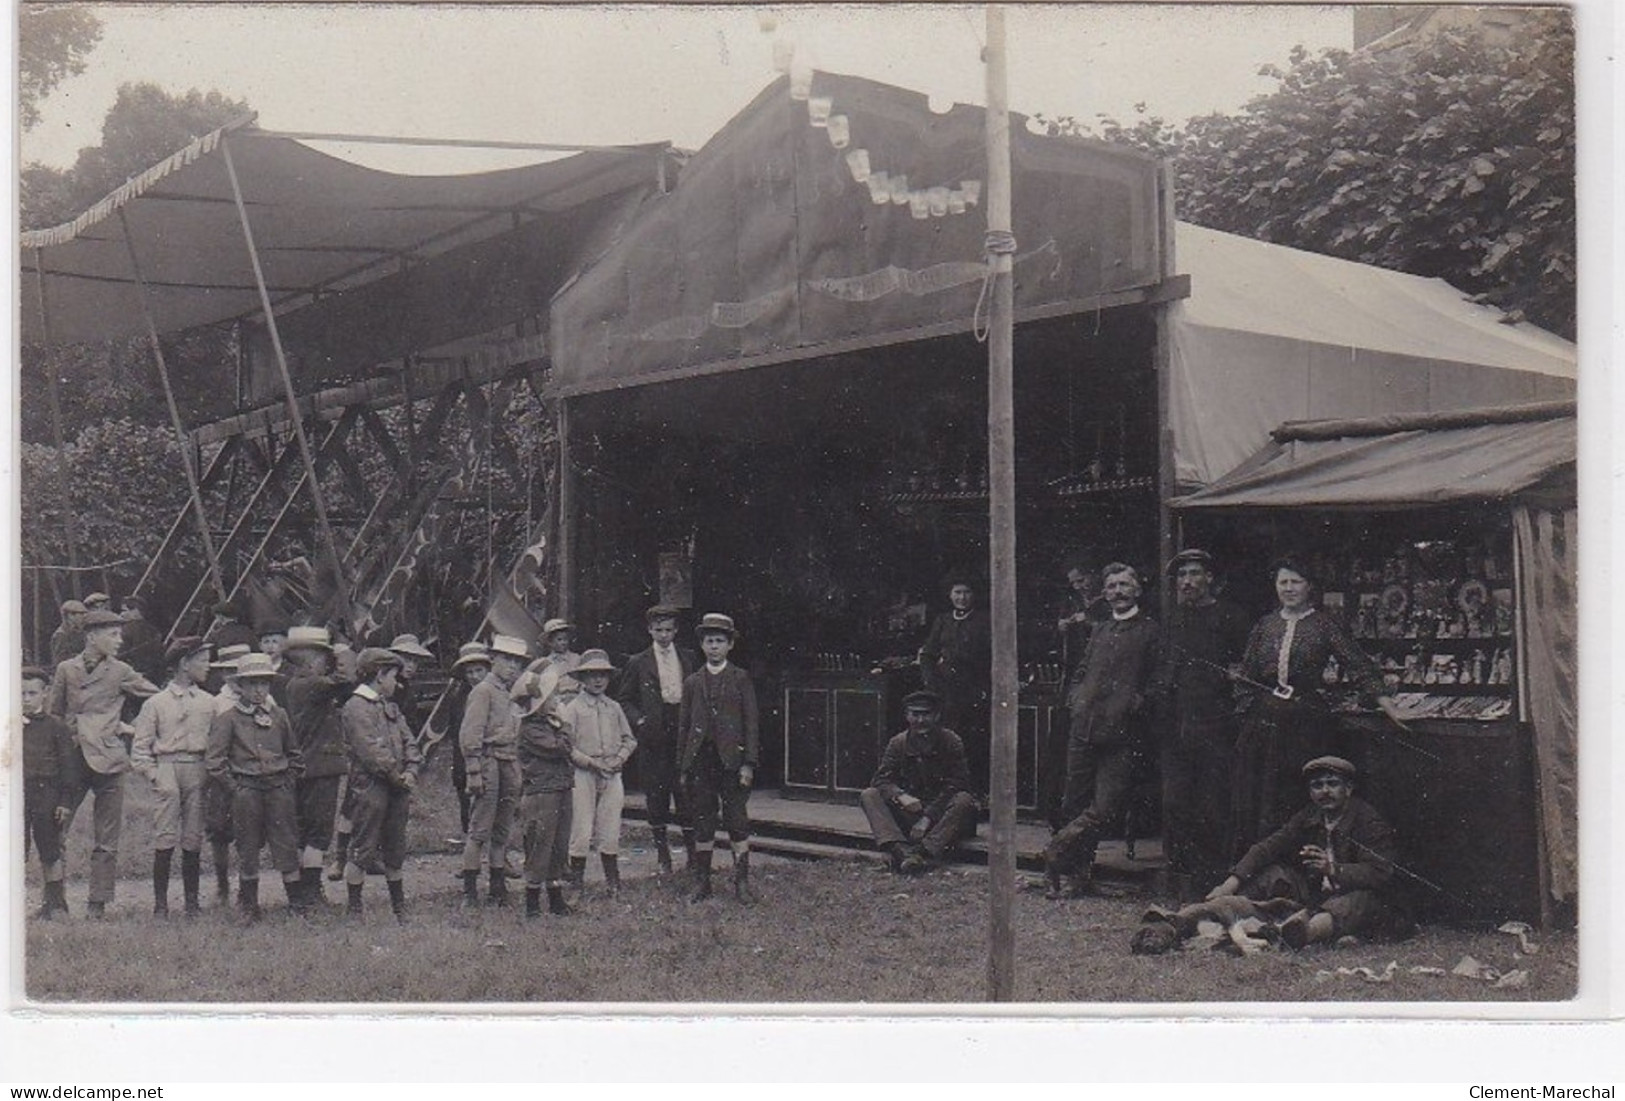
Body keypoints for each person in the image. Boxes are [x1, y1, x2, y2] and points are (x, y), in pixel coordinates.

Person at [1230, 556, 1401, 855]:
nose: (1289, 588)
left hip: (1304, 722)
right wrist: (1248, 715)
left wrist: (1388, 706)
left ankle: (1303, 868)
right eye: (1283, 582)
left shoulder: (1323, 624)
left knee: (1296, 792)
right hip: (1264, 724)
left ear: (1309, 587)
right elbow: (1246, 675)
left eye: (1296, 582)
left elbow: (1357, 664)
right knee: (1260, 794)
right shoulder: (1265, 625)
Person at [1044, 563, 1160, 899]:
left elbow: (1158, 680)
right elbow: (1081, 669)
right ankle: (1077, 875)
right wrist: (1076, 697)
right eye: (1111, 586)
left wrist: (1138, 702)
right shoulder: (1100, 629)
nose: (1118, 592)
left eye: (1125, 585)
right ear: (1105, 593)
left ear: (1137, 590)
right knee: (1074, 802)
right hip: (1084, 726)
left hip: (1123, 732)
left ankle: (1057, 847)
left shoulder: (1151, 630)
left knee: (1106, 807)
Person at [1208, 756, 1409, 949]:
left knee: (1357, 901)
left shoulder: (1368, 821)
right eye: (1317, 785)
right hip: (1318, 897)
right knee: (1273, 874)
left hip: (1361, 900)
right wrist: (1229, 884)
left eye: (1333, 783)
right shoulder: (1311, 814)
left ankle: (1299, 934)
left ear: (1348, 789)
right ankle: (1214, 914)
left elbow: (1381, 872)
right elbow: (1268, 847)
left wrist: (1332, 869)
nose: (1325, 791)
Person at [1150, 549, 1253, 895]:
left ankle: (1211, 883)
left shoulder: (1231, 617)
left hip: (1216, 726)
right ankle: (1181, 880)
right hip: (1176, 728)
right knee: (1176, 804)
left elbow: (1243, 672)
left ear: (1210, 578)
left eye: (1194, 574)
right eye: (1182, 576)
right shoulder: (1173, 619)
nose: (1188, 582)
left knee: (1212, 806)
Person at [49, 608, 160, 917]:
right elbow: (53, 714)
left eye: (120, 634)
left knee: (106, 838)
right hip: (72, 760)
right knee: (56, 830)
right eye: (113, 634)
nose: (120, 640)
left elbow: (158, 699)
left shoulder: (121, 670)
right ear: (91, 637)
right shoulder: (66, 670)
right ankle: (55, 900)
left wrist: (133, 727)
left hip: (109, 759)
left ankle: (97, 903)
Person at [205, 653, 306, 921]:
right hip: (246, 791)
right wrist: (235, 788)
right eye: (252, 684)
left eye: (264, 684)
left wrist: (287, 782)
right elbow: (215, 761)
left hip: (278, 789)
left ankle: (296, 905)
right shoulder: (228, 718)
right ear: (240, 686)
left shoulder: (279, 715)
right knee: (247, 846)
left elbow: (294, 754)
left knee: (286, 844)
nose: (259, 690)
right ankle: (249, 906)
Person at [130, 636, 218, 917]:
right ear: (183, 664)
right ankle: (160, 905)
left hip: (198, 769)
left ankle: (192, 903)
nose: (207, 666)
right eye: (202, 660)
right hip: (167, 768)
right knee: (165, 836)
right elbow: (140, 748)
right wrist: (154, 775)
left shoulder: (209, 702)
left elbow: (216, 741)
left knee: (193, 836)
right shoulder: (156, 703)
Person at [678, 613, 760, 903]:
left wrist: (748, 763)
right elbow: (684, 727)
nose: (714, 647)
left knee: (736, 819)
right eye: (709, 641)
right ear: (701, 645)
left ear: (730, 645)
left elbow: (751, 723)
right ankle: (702, 882)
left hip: (732, 762)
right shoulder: (692, 682)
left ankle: (742, 882)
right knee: (703, 820)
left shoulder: (740, 678)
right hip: (701, 759)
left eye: (720, 641)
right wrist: (684, 766)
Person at [613, 605, 700, 874]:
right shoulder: (638, 662)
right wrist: (640, 721)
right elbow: (625, 699)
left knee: (686, 793)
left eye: (669, 630)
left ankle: (693, 856)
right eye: (658, 630)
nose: (664, 635)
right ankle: (664, 856)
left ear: (676, 631)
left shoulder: (688, 657)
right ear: (650, 630)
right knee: (657, 795)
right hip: (654, 733)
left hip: (681, 729)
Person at [340, 647, 421, 922]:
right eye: (392, 677)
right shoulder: (355, 707)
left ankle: (399, 908)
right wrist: (397, 776)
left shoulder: (391, 706)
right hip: (370, 787)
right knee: (363, 846)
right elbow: (370, 750)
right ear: (378, 675)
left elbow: (410, 740)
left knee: (395, 847)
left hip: (397, 786)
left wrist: (412, 769)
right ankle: (354, 908)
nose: (396, 684)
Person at [859, 689, 978, 873]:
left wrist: (927, 818)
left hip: (942, 819)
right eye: (915, 714)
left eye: (926, 714)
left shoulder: (951, 741)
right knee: (869, 795)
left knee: (964, 800)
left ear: (937, 715)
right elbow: (881, 779)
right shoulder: (898, 743)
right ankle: (902, 851)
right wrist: (901, 796)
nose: (920, 720)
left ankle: (921, 854)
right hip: (911, 812)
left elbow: (958, 784)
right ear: (907, 716)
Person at [282, 626, 353, 907]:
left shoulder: (293, 684)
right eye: (324, 656)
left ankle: (302, 892)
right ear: (311, 658)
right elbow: (347, 680)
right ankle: (312, 894)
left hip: (303, 766)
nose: (327, 661)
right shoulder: (314, 684)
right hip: (321, 766)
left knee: (304, 832)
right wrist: (345, 652)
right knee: (319, 833)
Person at [457, 634, 527, 907]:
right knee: (480, 828)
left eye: (517, 662)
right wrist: (473, 769)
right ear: (493, 660)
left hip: (509, 759)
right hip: (488, 761)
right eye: (506, 659)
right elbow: (471, 732)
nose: (512, 666)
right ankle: (469, 891)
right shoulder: (483, 690)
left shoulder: (512, 693)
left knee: (502, 827)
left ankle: (498, 888)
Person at [561, 649, 637, 896]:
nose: (598, 680)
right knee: (581, 828)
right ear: (582, 678)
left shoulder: (613, 707)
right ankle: (576, 883)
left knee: (610, 826)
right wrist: (591, 763)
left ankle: (613, 882)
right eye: (592, 675)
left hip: (612, 772)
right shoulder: (572, 708)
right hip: (584, 773)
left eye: (602, 675)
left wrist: (619, 758)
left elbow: (629, 739)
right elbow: (566, 746)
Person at [1043, 562, 1111, 829]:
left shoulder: (1106, 606)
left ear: (1093, 576)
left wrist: (1090, 622)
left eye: (1082, 579)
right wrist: (1060, 626)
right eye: (1074, 582)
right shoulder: (1070, 604)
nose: (1079, 586)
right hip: (1072, 681)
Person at [513, 666, 579, 917]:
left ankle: (555, 899)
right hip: (542, 792)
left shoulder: (548, 723)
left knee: (558, 845)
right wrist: (565, 726)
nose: (557, 700)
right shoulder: (532, 729)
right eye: (552, 697)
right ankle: (532, 903)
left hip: (560, 787)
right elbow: (561, 748)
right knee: (541, 844)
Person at [917, 575, 992, 790]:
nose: (962, 597)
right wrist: (931, 683)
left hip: (974, 692)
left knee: (973, 744)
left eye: (966, 592)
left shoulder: (984, 620)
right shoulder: (942, 620)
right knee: (946, 743)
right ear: (950, 595)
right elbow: (928, 653)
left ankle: (974, 793)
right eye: (957, 592)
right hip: (946, 693)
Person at [22, 666, 79, 919]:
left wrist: (65, 801)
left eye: (32, 693)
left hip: (46, 793)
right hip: (15, 794)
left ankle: (55, 904)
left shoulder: (57, 727)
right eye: (21, 693)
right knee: (13, 849)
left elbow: (68, 768)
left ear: (44, 694)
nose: (25, 699)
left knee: (50, 849)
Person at [205, 642, 254, 902]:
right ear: (224, 675)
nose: (237, 678)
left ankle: (247, 886)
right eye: (231, 672)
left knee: (248, 830)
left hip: (251, 769)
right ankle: (222, 883)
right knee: (220, 830)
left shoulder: (262, 697)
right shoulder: (217, 702)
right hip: (223, 772)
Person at [444, 641, 494, 835]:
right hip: (466, 757)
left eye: (479, 671)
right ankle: (471, 845)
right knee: (468, 804)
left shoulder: (496, 694)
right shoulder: (459, 698)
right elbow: (457, 734)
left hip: (490, 756)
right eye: (470, 672)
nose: (474, 676)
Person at [118, 595, 166, 684]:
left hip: (128, 678)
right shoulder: (154, 631)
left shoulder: (125, 630)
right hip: (152, 679)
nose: (121, 614)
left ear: (136, 611)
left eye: (124, 611)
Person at [49, 599, 87, 668]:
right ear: (70, 616)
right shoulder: (61, 635)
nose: (84, 617)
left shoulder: (82, 632)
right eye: (81, 614)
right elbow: (61, 659)